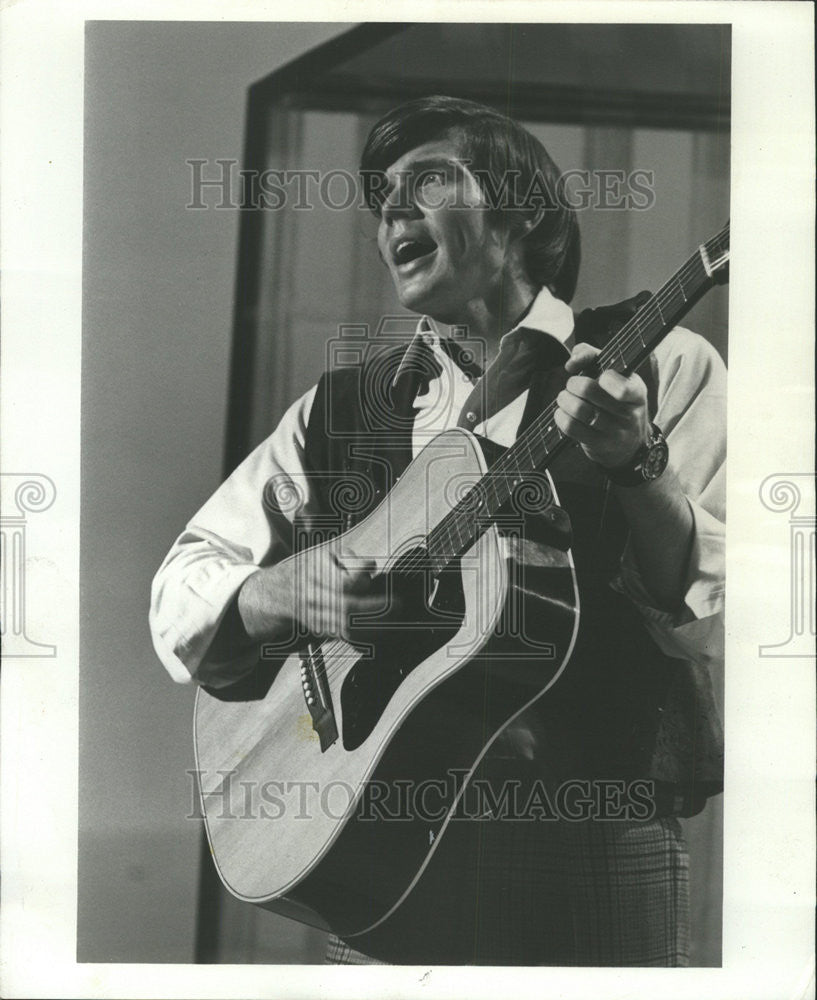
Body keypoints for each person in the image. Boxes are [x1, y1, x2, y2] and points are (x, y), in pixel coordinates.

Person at [150, 96, 725, 966]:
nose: (390, 214)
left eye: (425, 183)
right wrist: (282, 589)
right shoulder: (337, 410)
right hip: (375, 846)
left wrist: (636, 468)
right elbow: (183, 582)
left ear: (521, 207)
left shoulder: (665, 363)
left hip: (589, 843)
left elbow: (718, 620)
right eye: (380, 197)